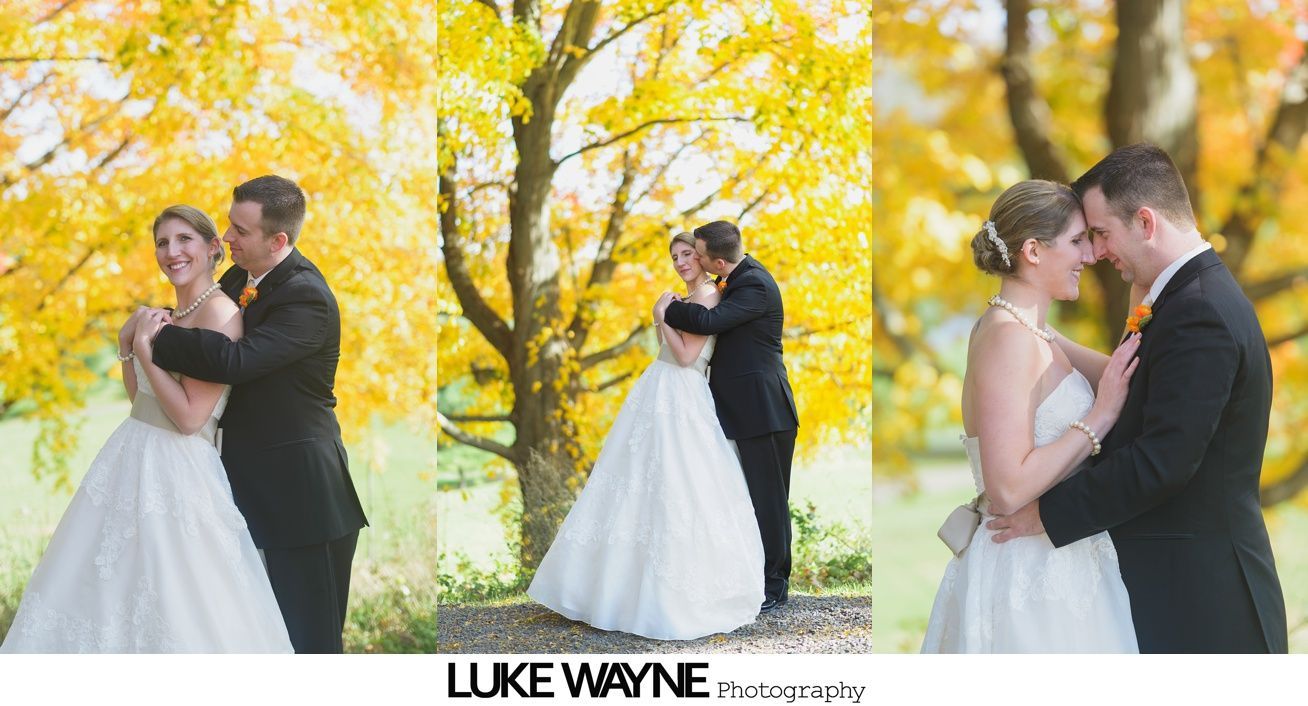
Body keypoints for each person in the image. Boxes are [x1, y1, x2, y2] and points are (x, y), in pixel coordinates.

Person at [988, 145, 1288, 653]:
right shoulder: (1182, 298)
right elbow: (1134, 393)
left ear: (1145, 222)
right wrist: (1033, 328)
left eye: (1101, 233)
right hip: (1175, 589)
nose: (1096, 252)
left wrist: (1045, 515)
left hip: (1203, 605)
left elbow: (1163, 461)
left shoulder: (1200, 313)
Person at [1, 205, 292, 653]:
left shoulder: (220, 315)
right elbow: (142, 402)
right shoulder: (167, 315)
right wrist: (126, 347)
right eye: (162, 242)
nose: (171, 252)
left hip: (179, 470)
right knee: (106, 587)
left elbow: (190, 417)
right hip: (130, 456)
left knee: (177, 600)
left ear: (213, 247)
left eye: (183, 240)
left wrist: (145, 347)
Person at [146, 176, 368, 653]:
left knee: (309, 645)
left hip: (301, 498)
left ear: (278, 240)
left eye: (240, 231)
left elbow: (235, 361)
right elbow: (203, 316)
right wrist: (166, 315)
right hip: (242, 491)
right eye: (229, 225)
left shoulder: (306, 298)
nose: (227, 238)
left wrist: (151, 335)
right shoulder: (240, 279)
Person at [921, 179, 1142, 653]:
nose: (1090, 256)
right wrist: (1097, 420)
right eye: (1078, 242)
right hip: (1028, 571)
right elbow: (1007, 488)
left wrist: (1146, 276)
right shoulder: (1009, 338)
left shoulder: (1036, 332)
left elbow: (1125, 378)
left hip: (1064, 560)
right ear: (1034, 251)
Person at [527, 233, 764, 641]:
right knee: (632, 486)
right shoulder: (686, 299)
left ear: (704, 258)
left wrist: (659, 314)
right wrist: (666, 316)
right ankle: (612, 588)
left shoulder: (707, 297)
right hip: (658, 387)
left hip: (683, 394)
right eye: (675, 256)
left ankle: (669, 593)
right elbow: (669, 349)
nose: (680, 262)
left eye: (687, 254)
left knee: (677, 484)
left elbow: (688, 357)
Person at [657, 221, 799, 613]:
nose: (692, 260)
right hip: (739, 408)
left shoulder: (753, 284)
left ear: (718, 260)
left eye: (697, 254)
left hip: (763, 409)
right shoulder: (734, 279)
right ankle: (758, 575)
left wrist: (665, 309)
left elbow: (706, 322)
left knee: (768, 500)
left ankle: (776, 585)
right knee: (748, 496)